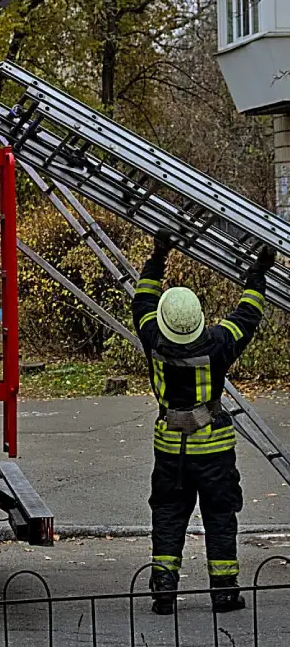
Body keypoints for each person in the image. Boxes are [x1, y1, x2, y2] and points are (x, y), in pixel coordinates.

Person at [132, 230, 277, 615]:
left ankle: (163, 590)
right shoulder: (217, 344)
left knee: (168, 515)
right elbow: (247, 315)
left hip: (170, 449)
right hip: (213, 451)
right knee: (219, 516)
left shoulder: (152, 338)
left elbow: (143, 298)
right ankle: (225, 592)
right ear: (197, 320)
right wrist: (257, 273)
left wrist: (159, 255)